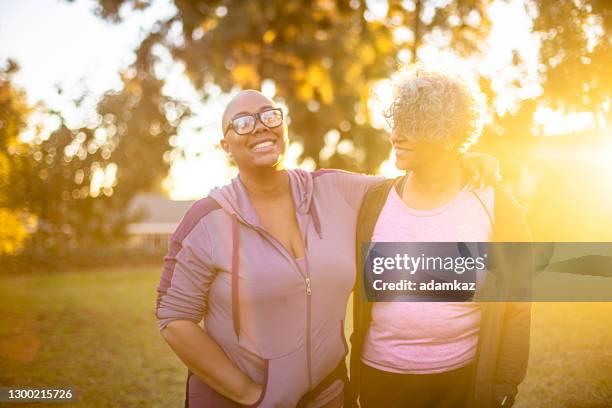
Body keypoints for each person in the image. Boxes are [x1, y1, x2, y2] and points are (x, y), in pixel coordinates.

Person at [155, 89, 498, 407]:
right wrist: (249, 394)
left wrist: (461, 159)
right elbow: (174, 318)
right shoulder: (205, 219)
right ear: (225, 146)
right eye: (242, 123)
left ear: (283, 127)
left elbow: (414, 181)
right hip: (236, 402)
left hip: (329, 395)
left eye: (269, 116)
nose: (260, 128)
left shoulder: (335, 190)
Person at [350, 67, 531, 408]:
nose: (396, 136)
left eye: (412, 126)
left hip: (462, 381)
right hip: (380, 380)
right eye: (396, 122)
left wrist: (505, 383)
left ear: (448, 132)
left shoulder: (496, 204)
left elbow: (518, 305)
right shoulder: (373, 202)